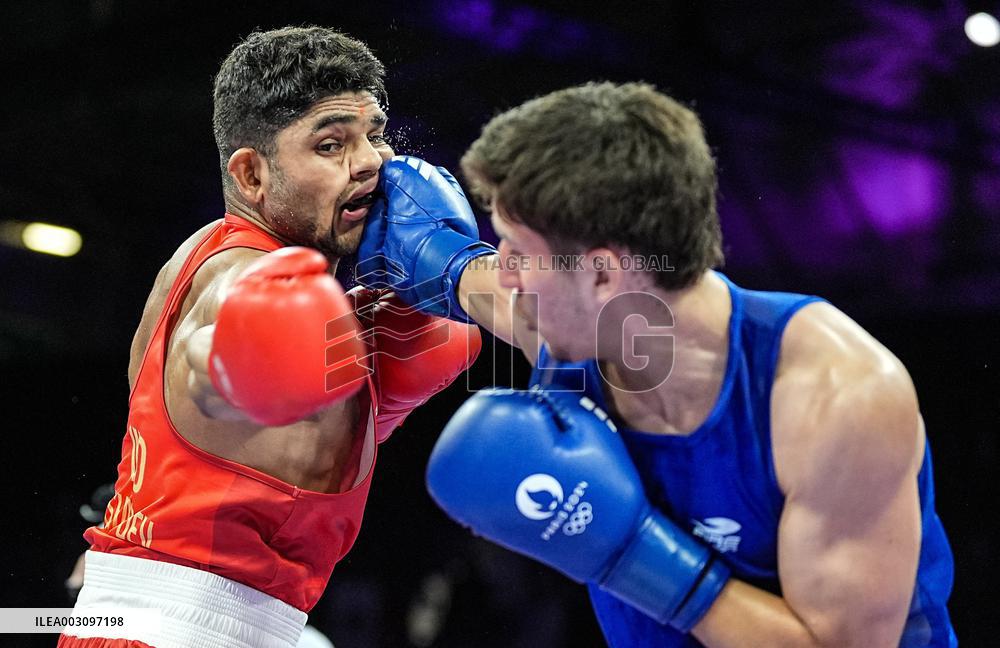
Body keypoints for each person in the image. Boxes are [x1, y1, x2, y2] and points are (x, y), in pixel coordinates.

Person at [356, 82, 957, 646]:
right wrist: (413, 238)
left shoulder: (838, 400)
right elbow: (462, 274)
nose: (504, 272)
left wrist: (630, 554)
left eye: (518, 252)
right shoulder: (564, 323)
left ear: (601, 273)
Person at [60, 26, 480, 648]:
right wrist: (245, 363)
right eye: (331, 144)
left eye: (375, 134)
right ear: (252, 175)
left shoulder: (279, 284)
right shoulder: (242, 280)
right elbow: (221, 346)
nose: (370, 161)